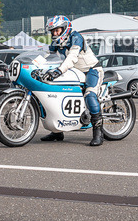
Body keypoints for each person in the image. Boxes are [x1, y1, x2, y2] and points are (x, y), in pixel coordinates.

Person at [42, 15, 105, 146]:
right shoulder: (56, 41)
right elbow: (46, 55)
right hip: (74, 72)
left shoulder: (76, 37)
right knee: (56, 94)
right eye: (53, 31)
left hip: (91, 70)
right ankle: (57, 131)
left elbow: (72, 57)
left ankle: (98, 132)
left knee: (90, 95)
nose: (54, 33)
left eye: (57, 30)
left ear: (65, 28)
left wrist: (59, 71)